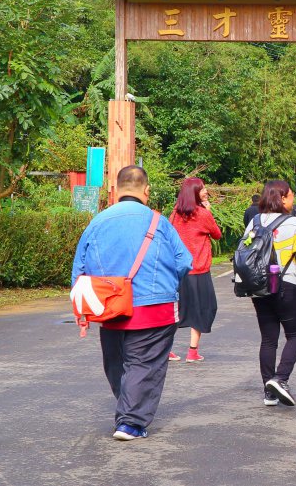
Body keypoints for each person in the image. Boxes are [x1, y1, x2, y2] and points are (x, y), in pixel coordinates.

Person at [70, 165, 192, 440]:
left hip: (110, 306)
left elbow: (78, 270)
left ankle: (128, 408)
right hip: (154, 307)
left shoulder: (97, 222)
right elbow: (185, 262)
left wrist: (83, 307)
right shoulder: (158, 222)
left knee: (117, 363)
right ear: (146, 190)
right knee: (144, 364)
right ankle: (131, 422)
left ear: (115, 190)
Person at [244, 180, 296, 407]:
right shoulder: (294, 223)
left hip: (259, 286)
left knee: (268, 339)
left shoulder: (254, 222)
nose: (293, 200)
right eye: (291, 196)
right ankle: (280, 378)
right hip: (286, 284)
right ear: (282, 198)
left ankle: (269, 392)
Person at [169, 178, 222, 362]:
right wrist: (208, 211)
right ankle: (192, 351)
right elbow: (217, 234)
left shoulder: (175, 214)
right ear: (194, 193)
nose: (206, 191)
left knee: (177, 310)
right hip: (198, 269)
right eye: (202, 189)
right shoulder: (202, 214)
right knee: (202, 309)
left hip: (178, 270)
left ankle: (166, 349)